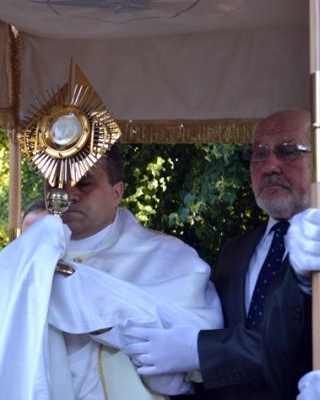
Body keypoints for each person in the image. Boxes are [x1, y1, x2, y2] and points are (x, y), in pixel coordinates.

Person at [0, 145, 222, 399]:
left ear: (117, 192)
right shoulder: (24, 260)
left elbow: (195, 352)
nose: (67, 195)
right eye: (54, 184)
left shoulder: (168, 258)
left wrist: (77, 293)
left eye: (84, 183)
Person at [122, 108, 313, 399]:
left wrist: (198, 350)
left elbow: (287, 347)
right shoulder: (235, 252)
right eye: (259, 154)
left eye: (288, 151)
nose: (270, 166)